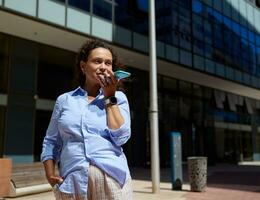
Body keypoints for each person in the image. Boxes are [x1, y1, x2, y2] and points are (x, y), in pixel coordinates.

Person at [41, 39, 132, 200]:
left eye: (108, 63)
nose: (103, 67)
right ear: (83, 66)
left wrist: (109, 97)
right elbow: (51, 140)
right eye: (97, 61)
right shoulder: (64, 100)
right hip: (72, 181)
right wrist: (49, 173)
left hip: (111, 180)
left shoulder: (119, 98)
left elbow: (121, 137)